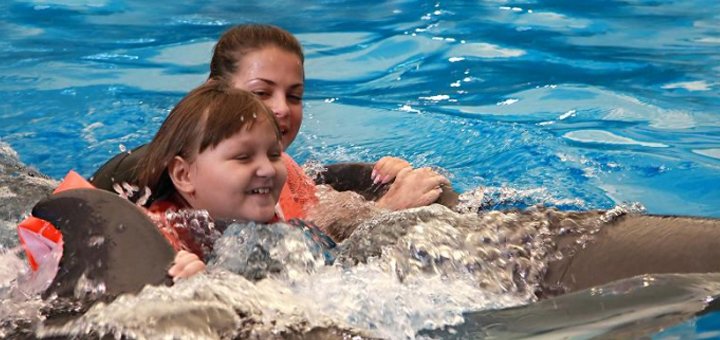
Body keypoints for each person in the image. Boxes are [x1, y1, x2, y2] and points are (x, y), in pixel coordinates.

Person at [91, 24, 455, 235]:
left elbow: (316, 215)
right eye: (261, 92)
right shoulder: (147, 176)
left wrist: (378, 187)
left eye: (294, 96)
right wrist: (382, 215)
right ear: (214, 90)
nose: (280, 109)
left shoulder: (285, 172)